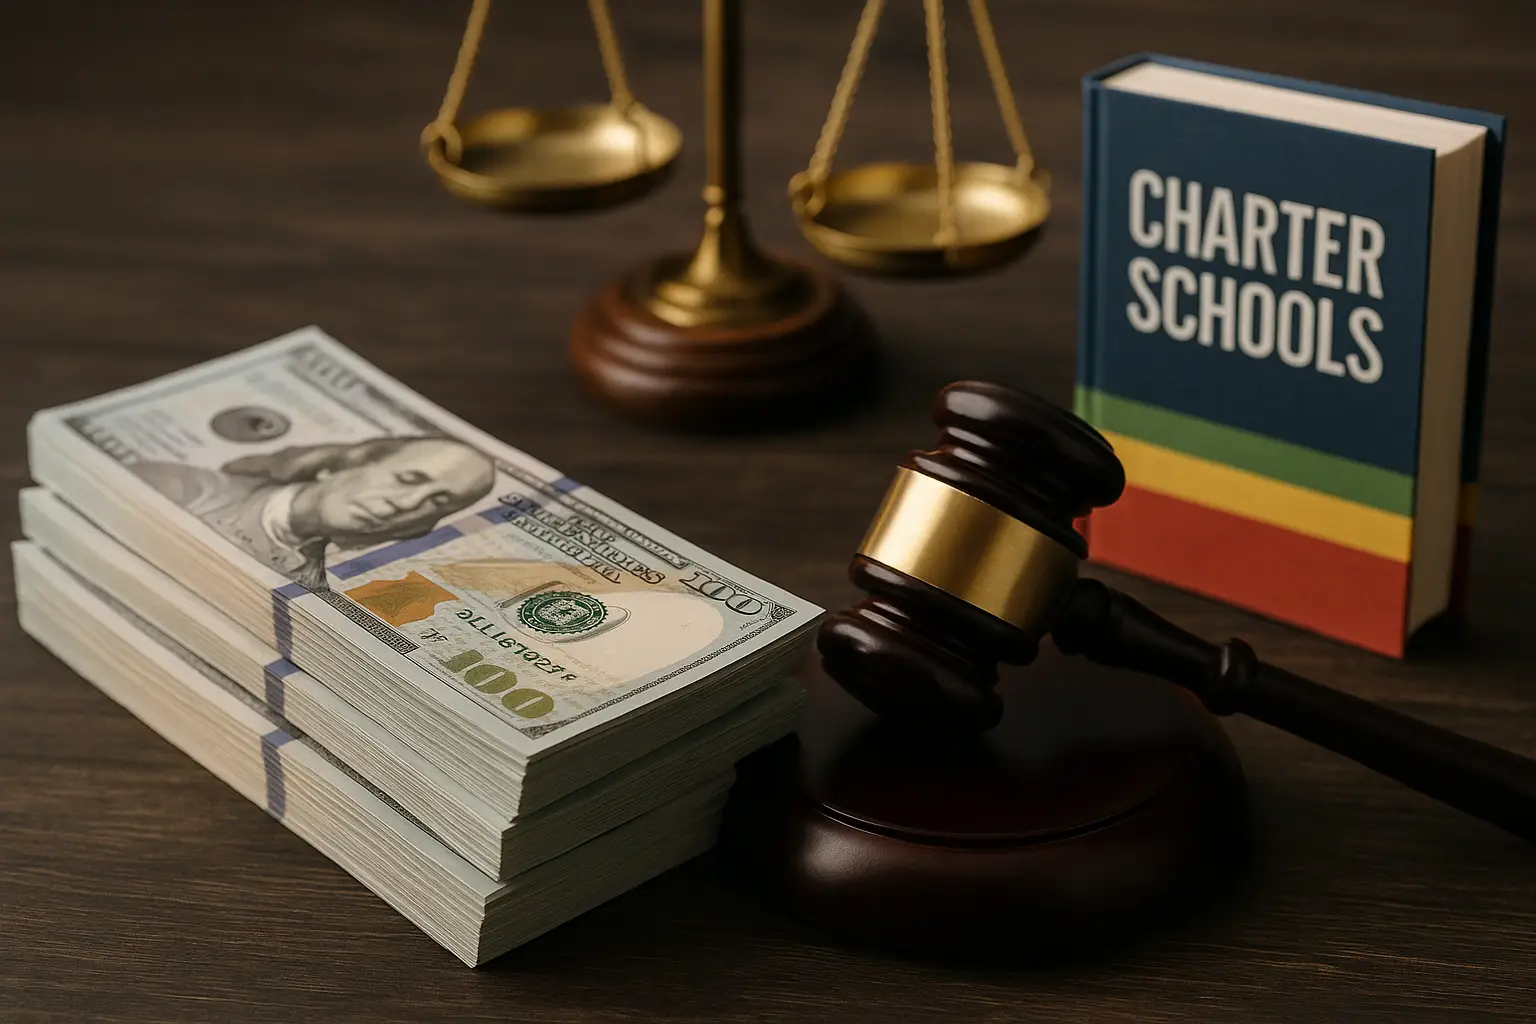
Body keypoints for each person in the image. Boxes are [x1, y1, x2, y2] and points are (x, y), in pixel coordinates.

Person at [131, 436, 495, 588]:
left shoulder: (321, 579)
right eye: (407, 479)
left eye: (438, 502)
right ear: (338, 466)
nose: (407, 505)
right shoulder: (174, 485)